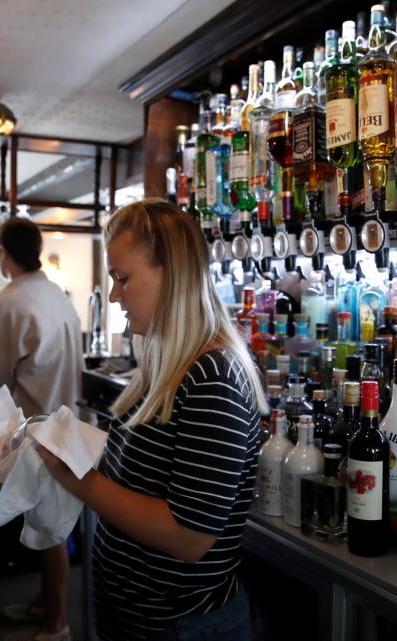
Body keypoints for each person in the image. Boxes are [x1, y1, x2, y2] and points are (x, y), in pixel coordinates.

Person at [36, 199, 267, 641]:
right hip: (141, 617)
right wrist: (75, 447)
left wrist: (76, 477)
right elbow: (146, 474)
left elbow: (189, 536)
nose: (114, 294)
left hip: (182, 624)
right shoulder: (166, 359)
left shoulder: (212, 375)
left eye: (123, 278)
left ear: (172, 275)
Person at [0, 216, 83, 641]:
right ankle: (46, 604)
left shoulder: (6, 302)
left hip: (41, 423)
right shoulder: (57, 294)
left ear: (4, 254)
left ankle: (55, 625)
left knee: (50, 528)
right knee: (52, 521)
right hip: (69, 419)